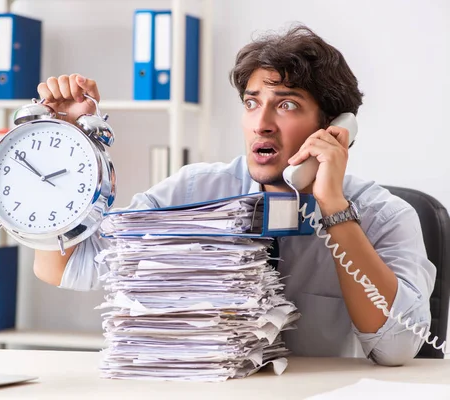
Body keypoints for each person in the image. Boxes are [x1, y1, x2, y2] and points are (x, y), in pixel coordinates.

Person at [33, 25, 435, 366]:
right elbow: (66, 267)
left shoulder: (386, 217)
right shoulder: (190, 194)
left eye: (287, 105)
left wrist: (333, 209)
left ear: (332, 127)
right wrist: (67, 142)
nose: (262, 124)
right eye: (251, 104)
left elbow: (396, 348)